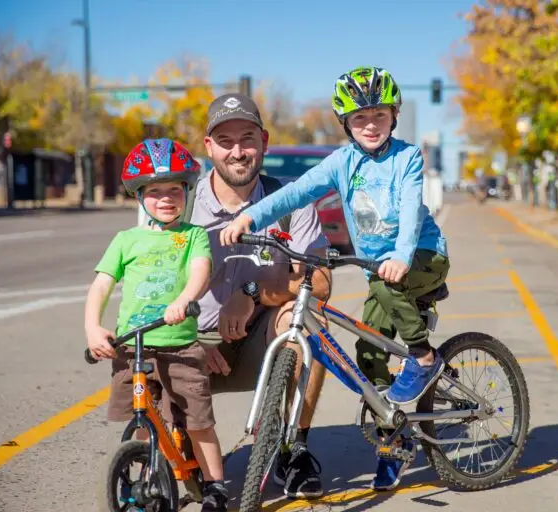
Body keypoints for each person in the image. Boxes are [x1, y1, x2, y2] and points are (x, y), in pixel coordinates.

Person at [219, 66, 450, 491]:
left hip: (420, 257)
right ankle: (393, 443)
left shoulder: (407, 157)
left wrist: (399, 256)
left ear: (394, 116)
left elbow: (412, 212)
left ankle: (422, 357)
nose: (370, 125)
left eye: (379, 116)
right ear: (346, 123)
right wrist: (250, 215)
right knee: (369, 353)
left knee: (385, 284)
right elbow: (295, 192)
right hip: (380, 270)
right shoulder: (341, 162)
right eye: (359, 118)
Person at [190, 92, 331, 499]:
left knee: (307, 322)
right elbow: (152, 287)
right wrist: (187, 338)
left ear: (264, 141)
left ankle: (294, 449)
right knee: (143, 344)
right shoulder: (182, 206)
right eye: (226, 140)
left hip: (261, 340)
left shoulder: (291, 203)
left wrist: (252, 292)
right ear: (209, 147)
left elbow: (319, 283)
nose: (238, 151)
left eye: (247, 138)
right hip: (194, 344)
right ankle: (177, 447)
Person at [85, 139, 228, 511]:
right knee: (137, 416)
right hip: (131, 346)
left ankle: (215, 485)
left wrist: (184, 300)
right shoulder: (125, 240)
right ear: (139, 196)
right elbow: (101, 284)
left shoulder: (193, 236)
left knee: (197, 420)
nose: (165, 198)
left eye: (174, 190)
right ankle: (146, 460)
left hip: (179, 345)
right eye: (154, 191)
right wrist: (93, 327)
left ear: (186, 192)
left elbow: (200, 271)